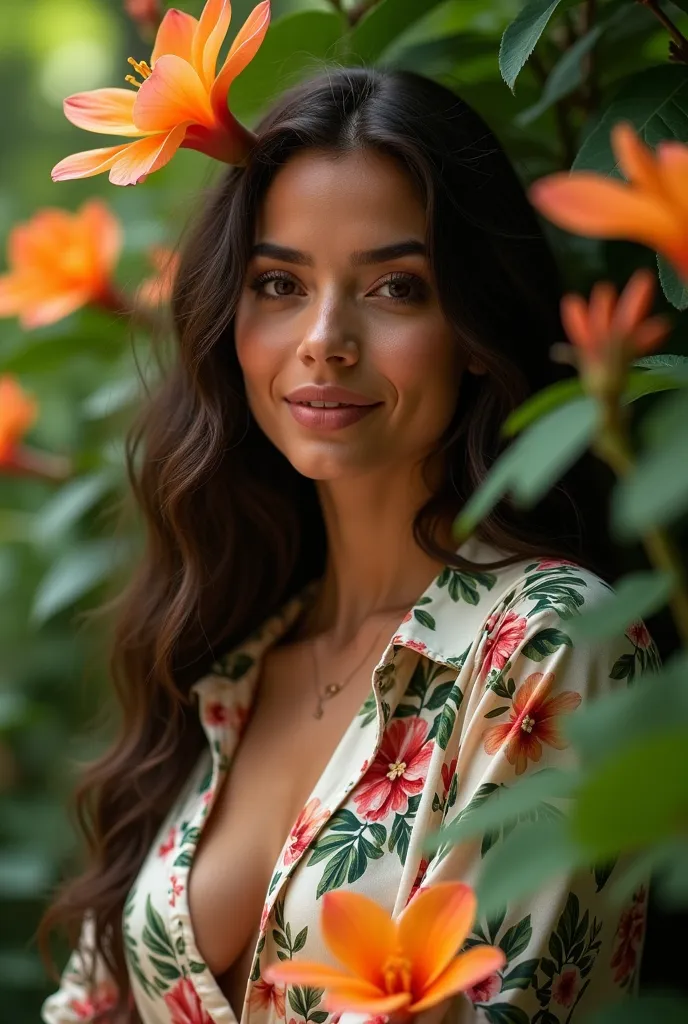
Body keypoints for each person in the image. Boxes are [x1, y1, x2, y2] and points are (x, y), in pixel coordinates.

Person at [39, 67, 655, 1024]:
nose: (325, 339)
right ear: (229, 322)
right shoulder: (228, 652)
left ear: (476, 331)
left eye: (396, 287)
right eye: (279, 283)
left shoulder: (548, 643)